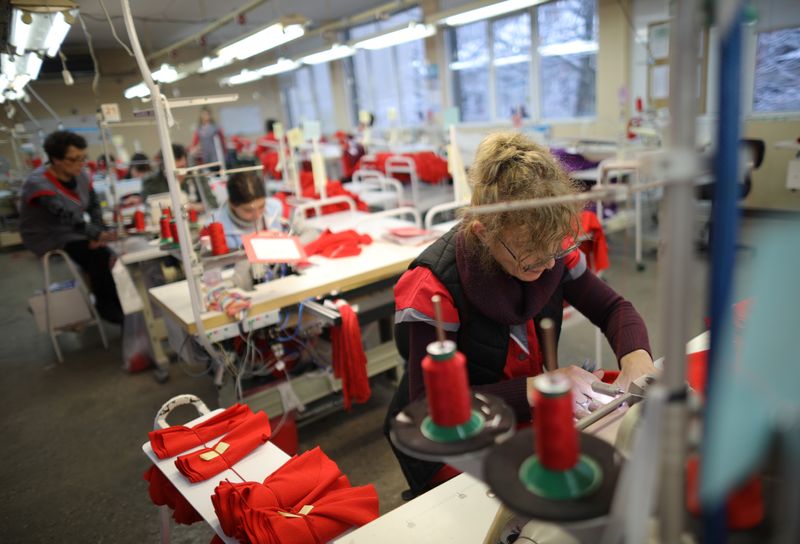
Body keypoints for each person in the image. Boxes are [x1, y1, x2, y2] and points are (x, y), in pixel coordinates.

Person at [385, 132, 656, 497]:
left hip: (517, 411)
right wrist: (535, 389)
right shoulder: (432, 289)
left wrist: (637, 361)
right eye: (531, 259)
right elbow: (427, 410)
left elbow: (613, 308)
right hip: (445, 440)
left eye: (553, 253)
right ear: (483, 232)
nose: (548, 266)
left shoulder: (548, 251)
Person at [19, 130, 123, 324]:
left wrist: (97, 232)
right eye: (74, 159)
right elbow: (65, 217)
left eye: (83, 158)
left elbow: (93, 205)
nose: (81, 164)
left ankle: (119, 302)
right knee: (99, 255)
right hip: (47, 236)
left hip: (72, 231)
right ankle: (106, 306)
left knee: (108, 251)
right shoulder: (38, 183)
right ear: (55, 159)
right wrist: (96, 234)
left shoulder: (81, 174)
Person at [210, 171, 283, 249]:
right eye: (248, 210)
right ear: (232, 204)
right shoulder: (216, 228)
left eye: (261, 207)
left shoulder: (274, 209)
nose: (257, 215)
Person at [142, 143, 217, 211]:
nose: (179, 173)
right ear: (162, 167)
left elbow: (212, 203)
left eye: (182, 167)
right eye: (173, 169)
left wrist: (191, 207)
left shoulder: (195, 174)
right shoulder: (151, 183)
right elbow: (148, 211)